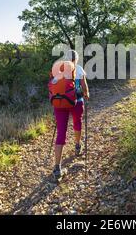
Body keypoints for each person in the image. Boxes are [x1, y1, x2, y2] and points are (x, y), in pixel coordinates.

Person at [52, 50, 89, 180]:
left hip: (60, 104)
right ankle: (78, 145)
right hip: (76, 101)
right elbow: (84, 85)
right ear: (76, 59)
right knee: (77, 123)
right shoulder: (78, 68)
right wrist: (86, 94)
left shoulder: (58, 68)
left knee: (61, 133)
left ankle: (57, 166)